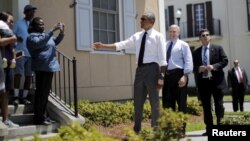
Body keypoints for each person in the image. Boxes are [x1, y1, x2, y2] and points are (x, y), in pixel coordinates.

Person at [92, 12, 167, 133]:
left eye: (143, 19)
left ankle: (156, 130)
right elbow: (123, 44)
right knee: (137, 101)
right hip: (140, 71)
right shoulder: (138, 35)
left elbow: (163, 59)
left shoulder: (158, 36)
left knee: (154, 101)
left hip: (153, 70)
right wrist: (103, 46)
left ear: (151, 22)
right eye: (141, 19)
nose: (141, 21)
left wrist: (161, 76)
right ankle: (137, 129)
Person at [26, 17, 65, 125]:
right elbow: (39, 43)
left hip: (49, 67)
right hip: (41, 67)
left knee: (45, 93)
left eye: (43, 24)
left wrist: (61, 33)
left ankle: (44, 116)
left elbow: (55, 41)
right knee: (41, 93)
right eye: (40, 24)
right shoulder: (31, 37)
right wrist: (51, 30)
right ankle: (38, 118)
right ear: (33, 26)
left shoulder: (46, 36)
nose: (43, 26)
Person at [192, 29, 228, 136]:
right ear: (200, 38)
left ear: (210, 37)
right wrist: (199, 68)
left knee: (219, 106)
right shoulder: (196, 52)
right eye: (203, 35)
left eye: (207, 35)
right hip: (203, 83)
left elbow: (225, 61)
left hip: (216, 82)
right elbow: (192, 67)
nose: (206, 37)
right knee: (206, 107)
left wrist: (213, 66)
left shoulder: (218, 48)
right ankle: (210, 129)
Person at [162, 24, 193, 138]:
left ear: (178, 33)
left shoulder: (183, 45)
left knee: (181, 104)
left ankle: (181, 129)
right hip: (167, 76)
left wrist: (185, 76)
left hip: (179, 75)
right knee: (167, 104)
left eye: (174, 31)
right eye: (170, 31)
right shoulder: (165, 45)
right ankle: (170, 129)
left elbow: (188, 61)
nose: (172, 33)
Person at [13, 4, 37, 105]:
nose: (33, 13)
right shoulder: (18, 23)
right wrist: (17, 38)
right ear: (26, 12)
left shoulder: (35, 25)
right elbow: (12, 35)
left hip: (30, 53)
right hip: (19, 51)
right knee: (18, 74)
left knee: (28, 75)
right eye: (31, 11)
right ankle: (16, 96)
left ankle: (25, 97)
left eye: (33, 12)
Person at [0, 11, 19, 128]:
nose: (11, 24)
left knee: (6, 92)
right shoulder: (2, 30)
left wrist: (15, 57)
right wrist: (13, 39)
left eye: (12, 22)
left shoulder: (8, 32)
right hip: (1, 65)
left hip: (8, 65)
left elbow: (12, 47)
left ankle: (6, 119)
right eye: (10, 21)